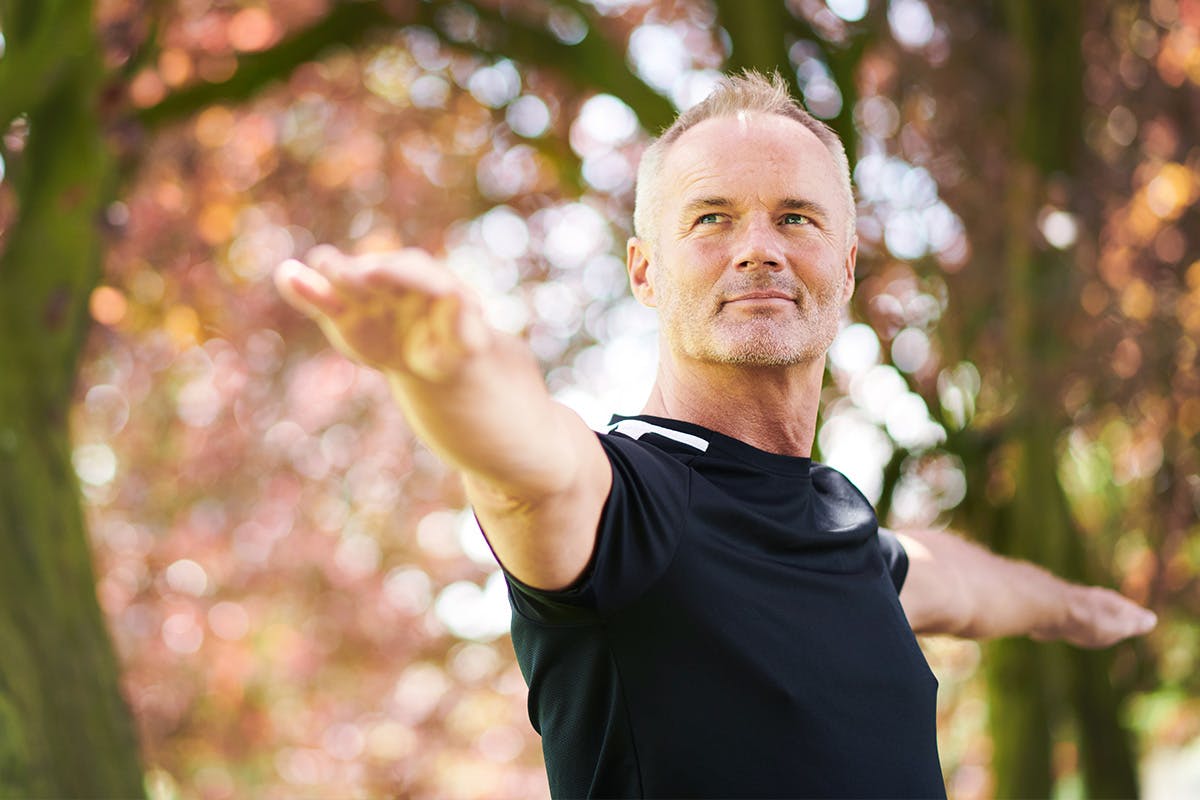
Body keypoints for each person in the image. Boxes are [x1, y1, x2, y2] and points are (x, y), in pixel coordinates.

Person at [275, 71, 1157, 799]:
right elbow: (526, 468)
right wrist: (445, 366)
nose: (758, 249)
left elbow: (958, 583)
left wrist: (1077, 609)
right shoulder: (628, 511)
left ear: (845, 267)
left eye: (796, 218)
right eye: (712, 218)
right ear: (644, 271)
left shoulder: (840, 527)